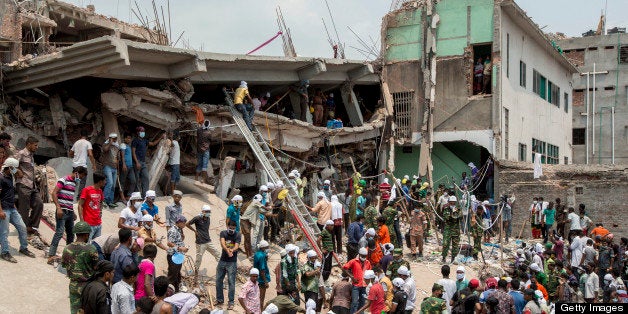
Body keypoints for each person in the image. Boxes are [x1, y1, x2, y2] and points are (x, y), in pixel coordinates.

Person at [49, 166, 88, 263]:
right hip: (62, 211)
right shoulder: (63, 180)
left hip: (69, 212)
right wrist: (58, 208)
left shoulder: (74, 183)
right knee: (59, 232)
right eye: (81, 176)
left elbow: (69, 199)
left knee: (71, 234)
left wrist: (73, 212)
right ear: (77, 173)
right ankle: (51, 254)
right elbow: (54, 193)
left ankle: (68, 255)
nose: (80, 179)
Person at [0, 157, 36, 262]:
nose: (16, 170)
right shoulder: (1, 178)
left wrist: (14, 170)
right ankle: (5, 252)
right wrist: (0, 211)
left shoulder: (11, 176)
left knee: (22, 227)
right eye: (14, 168)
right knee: (4, 232)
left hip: (12, 208)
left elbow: (21, 175)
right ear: (9, 167)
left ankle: (23, 248)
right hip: (4, 209)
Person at [15, 136, 44, 236]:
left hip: (32, 185)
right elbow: (10, 166)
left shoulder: (31, 155)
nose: (37, 147)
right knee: (24, 208)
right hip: (23, 183)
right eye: (35, 145)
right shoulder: (21, 153)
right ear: (29, 144)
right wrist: (17, 171)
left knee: (39, 203)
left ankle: (32, 226)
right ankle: (24, 228)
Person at [216, 220, 241, 310]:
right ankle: (219, 299)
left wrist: (232, 250)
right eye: (230, 228)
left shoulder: (238, 235)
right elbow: (222, 243)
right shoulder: (223, 233)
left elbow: (237, 246)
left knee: (231, 282)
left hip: (232, 262)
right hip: (222, 260)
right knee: (218, 280)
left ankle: (231, 302)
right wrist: (227, 250)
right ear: (227, 226)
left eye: (233, 228)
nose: (231, 230)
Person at [132, 126, 163, 196]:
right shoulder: (135, 141)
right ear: (138, 133)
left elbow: (153, 144)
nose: (143, 133)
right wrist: (136, 162)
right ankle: (136, 195)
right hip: (137, 162)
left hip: (143, 163)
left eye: (143, 131)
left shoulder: (144, 140)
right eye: (141, 131)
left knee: (145, 178)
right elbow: (133, 152)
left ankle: (145, 195)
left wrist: (161, 137)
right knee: (136, 180)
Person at [78, 172, 106, 241]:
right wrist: (82, 220)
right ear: (100, 181)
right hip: (88, 224)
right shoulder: (87, 190)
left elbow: (101, 201)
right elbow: (80, 205)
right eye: (104, 180)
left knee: (96, 245)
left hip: (98, 223)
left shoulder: (100, 191)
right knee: (86, 245)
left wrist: (100, 211)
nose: (105, 182)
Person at [343, 247, 371, 313]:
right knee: (354, 303)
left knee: (362, 303)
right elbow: (344, 268)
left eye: (365, 256)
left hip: (364, 286)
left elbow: (369, 273)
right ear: (359, 254)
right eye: (362, 256)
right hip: (356, 285)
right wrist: (352, 277)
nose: (364, 257)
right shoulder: (353, 261)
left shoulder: (367, 262)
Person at [186, 204, 212, 275]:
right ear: (203, 211)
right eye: (207, 211)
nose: (208, 213)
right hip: (200, 242)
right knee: (199, 259)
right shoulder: (197, 218)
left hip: (208, 240)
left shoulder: (208, 218)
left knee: (218, 254)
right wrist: (195, 231)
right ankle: (196, 274)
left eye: (209, 211)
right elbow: (187, 224)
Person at [70, 130, 97, 196]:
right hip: (82, 166)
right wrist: (93, 164)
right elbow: (90, 154)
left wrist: (75, 156)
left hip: (75, 166)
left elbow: (70, 153)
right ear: (87, 136)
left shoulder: (76, 143)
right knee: (82, 182)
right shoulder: (88, 143)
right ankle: (79, 197)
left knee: (76, 180)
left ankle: (71, 195)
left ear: (80, 135)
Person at [166, 215, 188, 291]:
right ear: (179, 222)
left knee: (177, 273)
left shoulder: (179, 230)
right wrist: (180, 248)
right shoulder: (173, 230)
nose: (185, 225)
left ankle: (176, 289)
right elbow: (169, 243)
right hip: (173, 255)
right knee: (172, 275)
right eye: (184, 223)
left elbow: (178, 241)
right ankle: (168, 292)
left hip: (178, 255)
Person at [102, 133, 122, 207]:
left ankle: (110, 201)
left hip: (115, 168)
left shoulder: (117, 147)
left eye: (115, 138)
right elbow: (105, 149)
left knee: (113, 185)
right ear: (110, 138)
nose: (114, 139)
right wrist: (110, 143)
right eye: (113, 138)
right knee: (109, 183)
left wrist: (118, 171)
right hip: (108, 166)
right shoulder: (106, 144)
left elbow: (117, 159)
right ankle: (103, 199)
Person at [442, 195, 462, 263]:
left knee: (455, 245)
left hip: (456, 230)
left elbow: (461, 217)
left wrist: (455, 214)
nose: (452, 204)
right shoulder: (446, 209)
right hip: (448, 229)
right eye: (451, 202)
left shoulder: (458, 209)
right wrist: (452, 214)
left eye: (453, 202)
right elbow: (446, 218)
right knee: (445, 244)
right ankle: (444, 257)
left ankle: (453, 258)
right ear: (449, 202)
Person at [254, 240, 271, 307]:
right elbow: (262, 270)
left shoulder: (257, 254)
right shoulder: (262, 256)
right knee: (261, 298)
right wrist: (265, 281)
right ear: (263, 248)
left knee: (256, 297)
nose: (268, 249)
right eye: (267, 247)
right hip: (261, 280)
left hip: (256, 278)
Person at [120, 133, 135, 198]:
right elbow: (122, 156)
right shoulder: (123, 145)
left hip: (130, 167)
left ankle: (129, 195)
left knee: (133, 181)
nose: (129, 140)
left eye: (130, 138)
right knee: (122, 182)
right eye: (128, 138)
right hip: (125, 166)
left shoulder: (128, 146)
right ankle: (122, 197)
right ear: (124, 138)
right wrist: (123, 164)